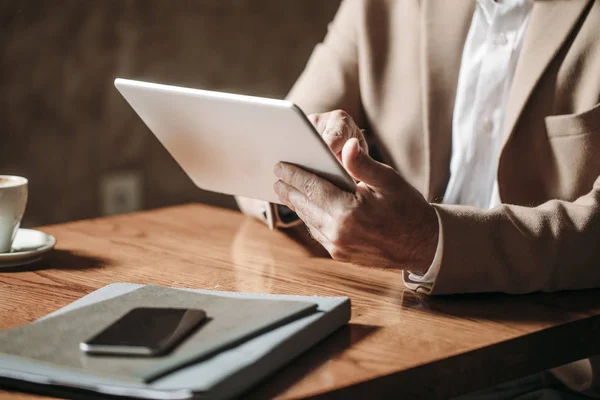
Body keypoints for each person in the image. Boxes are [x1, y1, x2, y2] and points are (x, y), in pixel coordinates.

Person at [237, 0, 600, 397]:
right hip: (395, 324)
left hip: (556, 359)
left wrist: (428, 241)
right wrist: (305, 168)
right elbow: (265, 146)